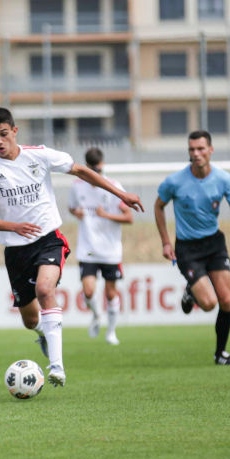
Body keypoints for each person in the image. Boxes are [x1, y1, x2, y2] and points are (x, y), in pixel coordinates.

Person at [0, 107, 143, 387]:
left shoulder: (40, 155)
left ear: (14, 131)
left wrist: (121, 194)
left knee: (45, 290)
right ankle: (44, 333)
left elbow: (82, 171)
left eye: (2, 134)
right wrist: (14, 227)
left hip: (48, 238)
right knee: (29, 318)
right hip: (15, 249)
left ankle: (57, 367)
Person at [154, 129, 230, 365]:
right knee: (208, 304)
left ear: (210, 150)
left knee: (227, 301)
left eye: (200, 149)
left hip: (215, 243)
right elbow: (158, 206)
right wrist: (166, 242)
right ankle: (191, 291)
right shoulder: (174, 181)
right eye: (192, 150)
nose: (196, 154)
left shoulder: (224, 179)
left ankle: (221, 354)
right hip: (187, 248)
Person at [68, 147, 133, 346]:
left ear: (102, 165)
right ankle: (97, 316)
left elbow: (128, 217)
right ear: (87, 167)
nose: (98, 172)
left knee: (111, 292)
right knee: (88, 292)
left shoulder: (113, 186)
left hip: (110, 250)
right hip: (87, 248)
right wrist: (76, 213)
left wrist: (106, 215)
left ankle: (111, 332)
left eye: (99, 168)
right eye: (93, 169)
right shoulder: (77, 186)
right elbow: (72, 207)